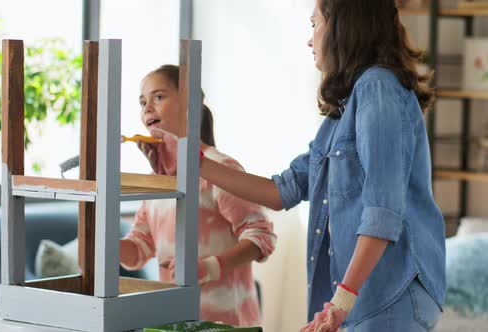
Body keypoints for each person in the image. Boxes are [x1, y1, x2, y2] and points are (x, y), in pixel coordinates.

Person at [151, 0, 446, 330]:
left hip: (390, 295)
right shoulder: (343, 114)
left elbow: (383, 214)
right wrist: (193, 161)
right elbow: (282, 191)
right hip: (368, 299)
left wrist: (339, 303)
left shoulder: (376, 89)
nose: (310, 39)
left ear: (342, 27)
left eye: (314, 25)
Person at [118, 64, 277, 327]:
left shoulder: (221, 169)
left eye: (158, 97)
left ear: (190, 103)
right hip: (173, 321)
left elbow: (261, 236)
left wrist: (211, 267)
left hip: (227, 323)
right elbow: (139, 248)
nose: (147, 108)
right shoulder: (157, 181)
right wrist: (99, 243)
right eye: (142, 101)